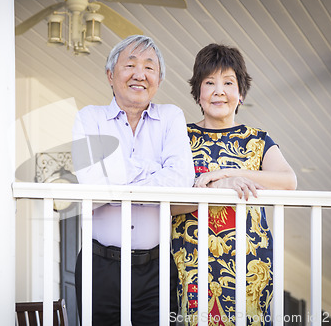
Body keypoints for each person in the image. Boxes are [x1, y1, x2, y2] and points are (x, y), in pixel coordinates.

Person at [72, 35, 195, 325]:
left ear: (159, 80)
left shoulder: (171, 117)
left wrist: (117, 176)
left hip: (155, 268)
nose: (140, 74)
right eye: (130, 65)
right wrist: (154, 171)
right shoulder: (89, 118)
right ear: (110, 75)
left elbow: (180, 179)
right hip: (98, 265)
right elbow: (92, 181)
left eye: (149, 67)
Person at [170, 43, 297, 325]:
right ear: (197, 92)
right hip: (192, 259)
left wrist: (231, 173)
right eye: (209, 82)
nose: (219, 91)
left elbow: (288, 181)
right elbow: (166, 201)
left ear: (240, 92)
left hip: (250, 260)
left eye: (228, 82)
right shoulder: (180, 136)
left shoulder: (258, 139)